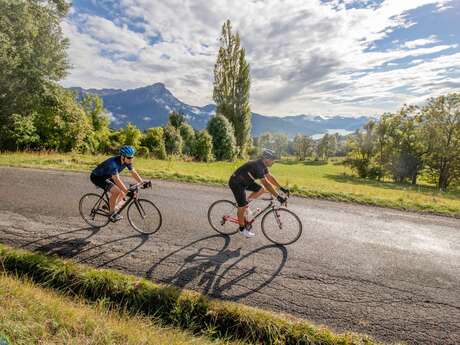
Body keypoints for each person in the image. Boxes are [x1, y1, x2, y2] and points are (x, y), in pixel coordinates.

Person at [228, 148, 289, 238]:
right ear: (266, 159)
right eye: (273, 160)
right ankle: (242, 229)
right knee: (242, 207)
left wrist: (281, 188)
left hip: (245, 181)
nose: (274, 162)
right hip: (236, 183)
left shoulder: (263, 165)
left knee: (261, 189)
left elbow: (270, 177)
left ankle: (246, 204)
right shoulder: (258, 166)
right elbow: (267, 183)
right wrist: (278, 197)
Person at [90, 145, 147, 221]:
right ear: (122, 157)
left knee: (122, 193)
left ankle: (109, 206)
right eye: (129, 157)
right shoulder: (113, 164)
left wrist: (142, 182)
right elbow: (117, 179)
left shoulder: (126, 161)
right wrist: (127, 191)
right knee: (117, 191)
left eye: (132, 157)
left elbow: (133, 172)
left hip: (108, 176)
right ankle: (111, 214)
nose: (131, 159)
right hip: (97, 177)